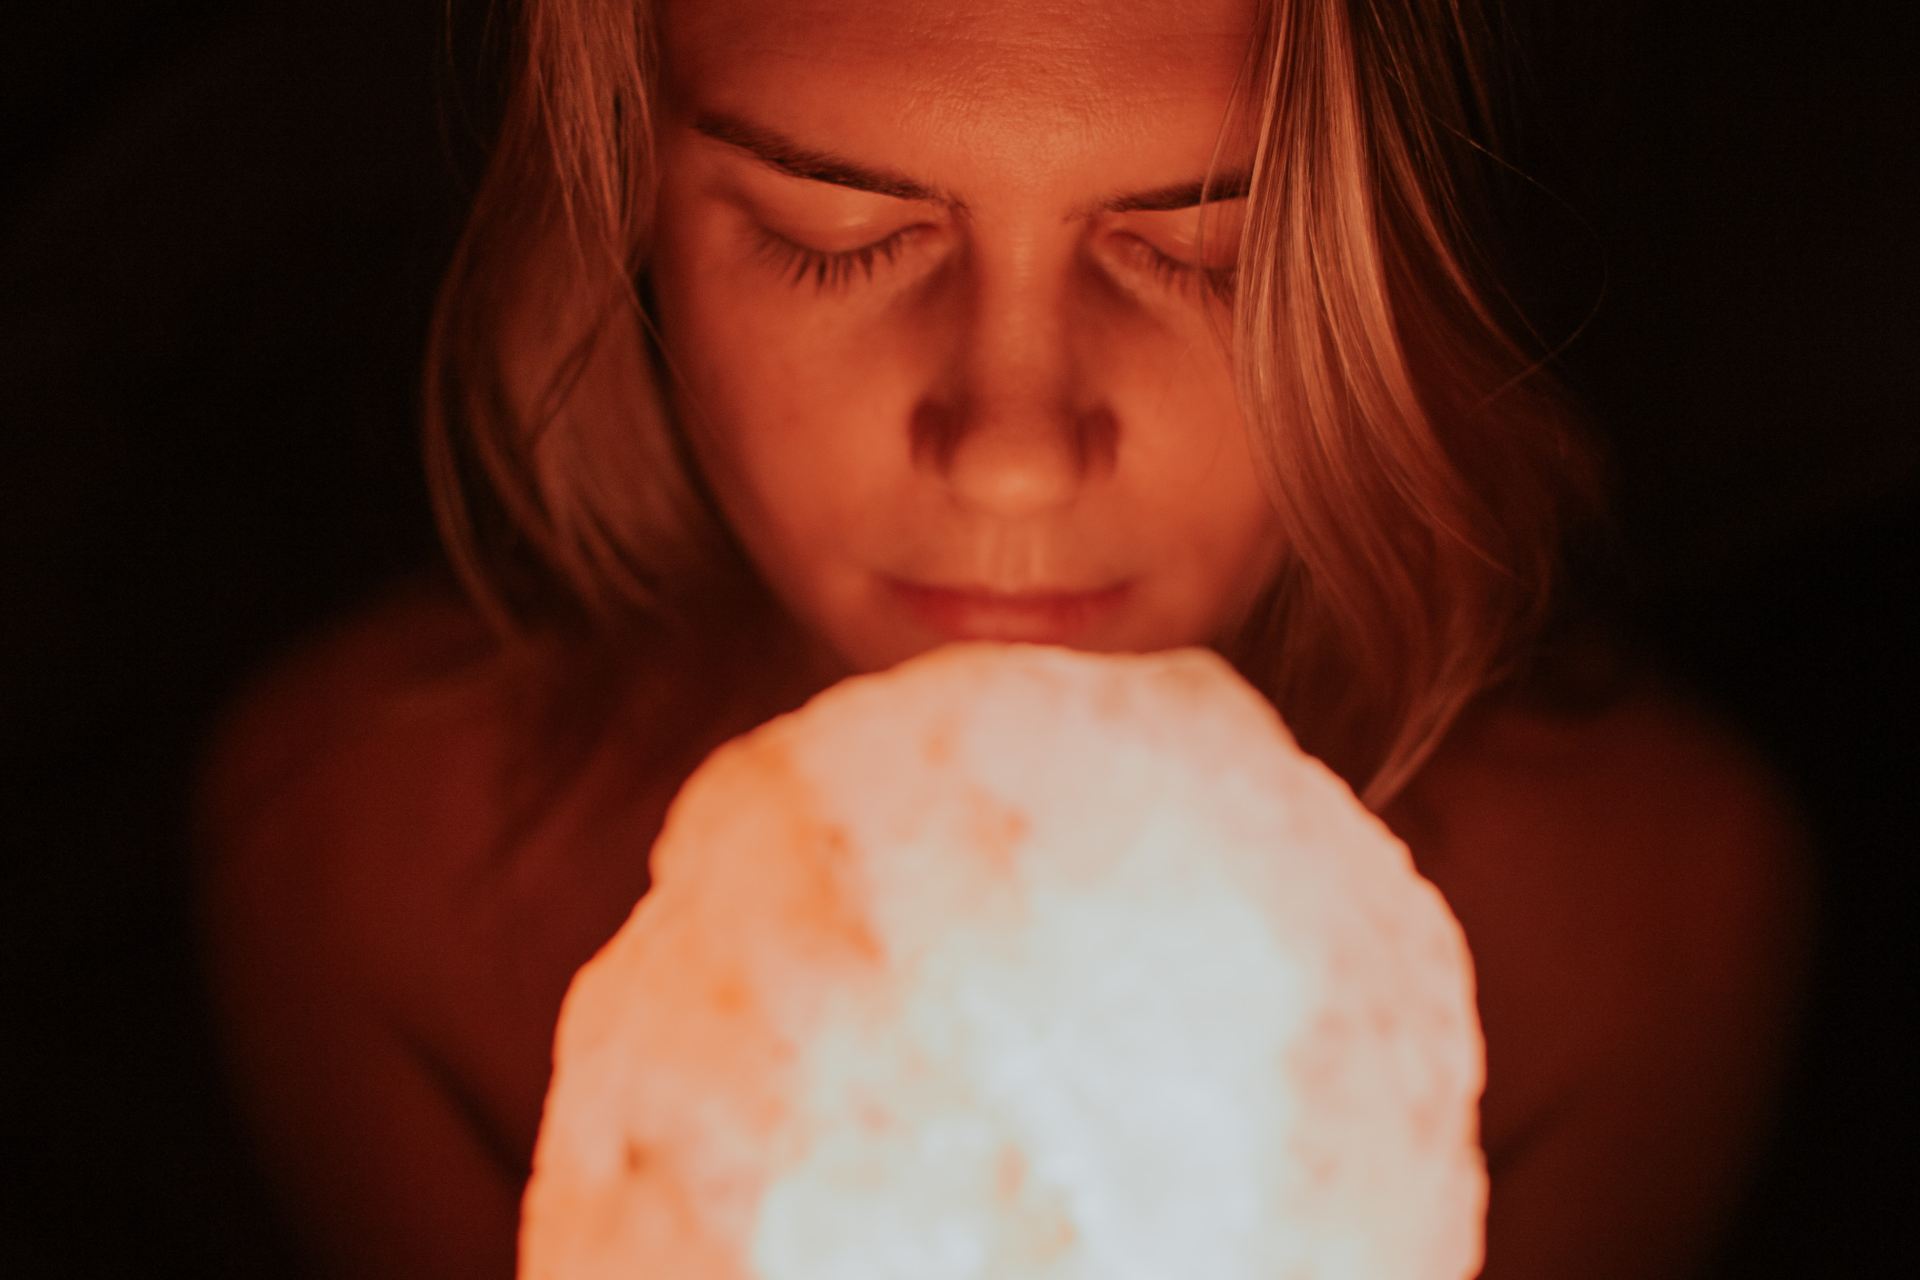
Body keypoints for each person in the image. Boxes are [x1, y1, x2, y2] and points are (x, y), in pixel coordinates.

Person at [191, 0, 1815, 1275]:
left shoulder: (1643, 929)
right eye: (839, 233)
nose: (1016, 445)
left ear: (1384, 250)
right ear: (626, 199)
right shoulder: (358, 866)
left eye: (1199, 251)